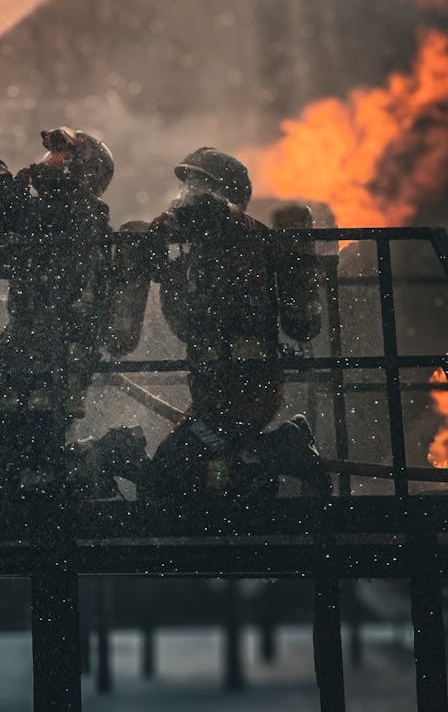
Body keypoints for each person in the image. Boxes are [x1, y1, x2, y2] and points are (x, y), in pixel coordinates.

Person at [141, 147, 329, 500]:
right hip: (215, 389)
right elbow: (185, 324)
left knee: (166, 473)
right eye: (188, 185)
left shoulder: (244, 235)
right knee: (205, 474)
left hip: (245, 389)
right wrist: (167, 267)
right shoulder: (201, 248)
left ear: (224, 193)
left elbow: (212, 216)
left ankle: (283, 448)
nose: (187, 194)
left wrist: (178, 228)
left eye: (198, 185)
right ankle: (269, 456)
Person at [0, 127, 117, 501]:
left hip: (50, 356)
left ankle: (83, 477)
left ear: (81, 170)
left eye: (61, 157)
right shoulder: (52, 213)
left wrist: (6, 184)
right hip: (29, 351)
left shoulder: (76, 213)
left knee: (33, 466)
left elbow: (3, 225)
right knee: (7, 470)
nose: (47, 163)